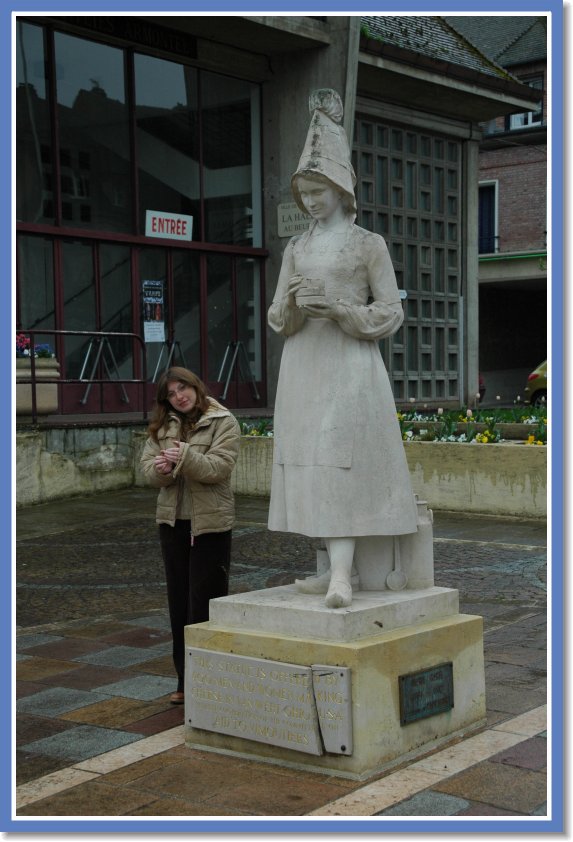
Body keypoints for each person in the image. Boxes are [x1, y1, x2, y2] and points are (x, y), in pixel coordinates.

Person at [268, 89, 418, 610]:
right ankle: (327, 567)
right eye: (304, 193)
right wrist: (293, 304)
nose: (310, 201)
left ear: (339, 188)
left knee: (339, 464)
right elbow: (277, 316)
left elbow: (391, 311)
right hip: (303, 365)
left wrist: (338, 309)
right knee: (308, 463)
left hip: (348, 366)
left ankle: (341, 576)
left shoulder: (367, 244)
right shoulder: (297, 247)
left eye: (318, 191)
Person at [140, 367, 241, 703]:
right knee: (179, 604)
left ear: (196, 387)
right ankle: (185, 682)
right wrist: (162, 470)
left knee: (206, 604)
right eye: (171, 393)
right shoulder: (163, 426)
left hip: (210, 524)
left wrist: (183, 457)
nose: (178, 397)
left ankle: (211, 679)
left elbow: (218, 468)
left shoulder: (223, 421)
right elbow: (147, 468)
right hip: (173, 523)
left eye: (182, 388)